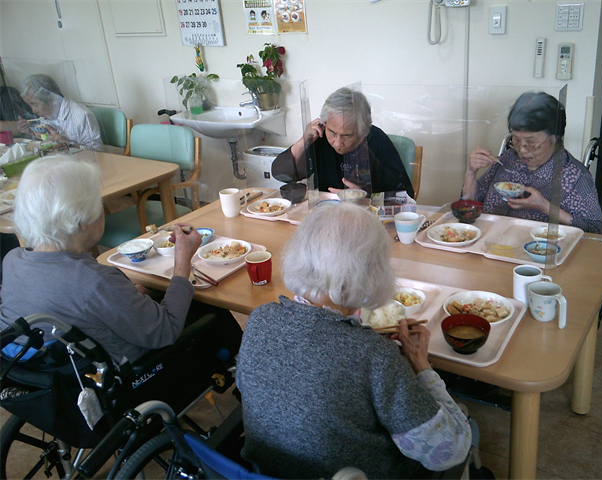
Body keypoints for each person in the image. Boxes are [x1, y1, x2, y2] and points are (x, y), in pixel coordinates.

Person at [236, 203, 472, 480]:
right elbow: (448, 451)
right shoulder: (373, 353)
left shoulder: (260, 318)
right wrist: (421, 366)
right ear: (373, 272)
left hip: (266, 471)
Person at [0, 155, 241, 364]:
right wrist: (183, 262)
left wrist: (124, 296)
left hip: (50, 375)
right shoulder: (96, 281)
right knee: (210, 311)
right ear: (81, 221)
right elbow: (165, 331)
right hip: (133, 376)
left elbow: (74, 302)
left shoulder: (13, 261)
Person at [461, 91, 602, 234]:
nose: (522, 150)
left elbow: (594, 230)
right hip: (488, 240)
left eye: (531, 142)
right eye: (516, 140)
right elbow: (468, 206)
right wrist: (471, 172)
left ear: (554, 138)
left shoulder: (575, 176)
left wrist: (545, 207)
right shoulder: (507, 159)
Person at [271, 87, 415, 198]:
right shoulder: (320, 137)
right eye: (332, 133)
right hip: (325, 213)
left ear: (363, 132)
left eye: (347, 136)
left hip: (365, 216)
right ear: (325, 123)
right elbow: (280, 174)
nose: (338, 143)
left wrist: (366, 197)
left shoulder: (377, 140)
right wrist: (304, 141)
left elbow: (406, 195)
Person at [16, 74, 103, 151]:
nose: (33, 110)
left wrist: (64, 142)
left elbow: (98, 152)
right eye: (30, 105)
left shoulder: (81, 116)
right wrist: (30, 133)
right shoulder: (46, 117)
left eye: (35, 105)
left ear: (52, 99)